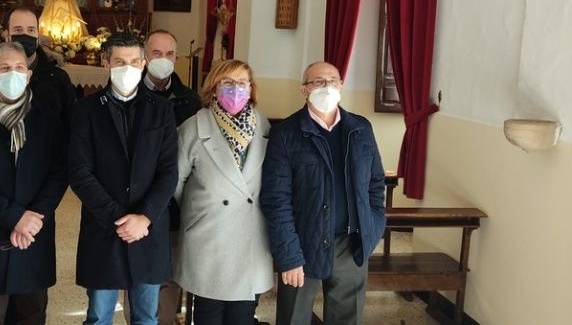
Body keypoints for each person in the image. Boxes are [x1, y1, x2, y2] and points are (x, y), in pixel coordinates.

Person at [260, 62, 387, 325]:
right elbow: (276, 199)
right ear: (304, 89)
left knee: (347, 318)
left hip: (350, 244)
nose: (327, 86)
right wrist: (289, 255)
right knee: (294, 317)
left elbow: (376, 183)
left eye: (332, 80)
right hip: (302, 243)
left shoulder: (361, 128)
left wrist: (372, 228)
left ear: (341, 85)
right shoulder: (285, 133)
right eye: (318, 81)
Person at [68, 32, 178, 325]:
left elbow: (168, 171)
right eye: (119, 62)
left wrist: (144, 217)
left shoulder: (162, 109)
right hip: (104, 226)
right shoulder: (85, 110)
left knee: (146, 317)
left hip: (148, 229)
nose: (127, 68)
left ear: (143, 63)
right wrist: (117, 218)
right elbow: (80, 172)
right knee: (98, 316)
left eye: (133, 61)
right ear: (106, 63)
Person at [0, 42, 69, 325]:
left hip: (34, 233)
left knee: (32, 314)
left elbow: (58, 175)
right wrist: (15, 217)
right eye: (5, 68)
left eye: (19, 68)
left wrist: (33, 218)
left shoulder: (48, 120)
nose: (13, 73)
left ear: (29, 75)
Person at [175, 59, 273, 324]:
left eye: (242, 83)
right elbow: (177, 182)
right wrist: (202, 209)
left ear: (251, 89)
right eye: (227, 82)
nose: (236, 89)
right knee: (208, 314)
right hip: (209, 236)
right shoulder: (192, 127)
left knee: (242, 315)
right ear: (214, 87)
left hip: (250, 237)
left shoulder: (264, 127)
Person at [120, 29, 201, 325]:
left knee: (169, 277)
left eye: (169, 54)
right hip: (136, 206)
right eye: (156, 53)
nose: (163, 59)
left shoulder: (190, 101)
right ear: (144, 57)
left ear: (176, 58)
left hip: (175, 206)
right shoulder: (127, 93)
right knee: (136, 277)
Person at [0, 7, 77, 126]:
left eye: (31, 30)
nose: (25, 35)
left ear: (38, 35)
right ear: (7, 35)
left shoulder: (57, 77)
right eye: (18, 30)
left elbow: (71, 123)